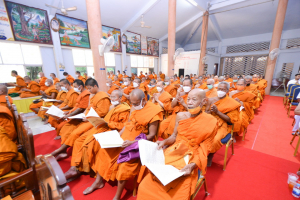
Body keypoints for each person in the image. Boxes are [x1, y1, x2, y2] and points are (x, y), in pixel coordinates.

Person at [137, 89, 218, 200]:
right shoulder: (180, 116)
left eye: (194, 99)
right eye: (188, 99)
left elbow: (205, 148)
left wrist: (192, 165)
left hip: (191, 157)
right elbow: (174, 137)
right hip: (174, 152)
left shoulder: (211, 121)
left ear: (204, 101)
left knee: (176, 192)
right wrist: (164, 141)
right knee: (145, 186)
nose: (189, 102)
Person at [82, 89, 163, 198]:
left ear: (143, 100)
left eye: (135, 103)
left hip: (138, 142)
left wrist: (133, 142)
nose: (133, 105)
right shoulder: (134, 106)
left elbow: (152, 135)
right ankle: (98, 182)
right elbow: (128, 124)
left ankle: (117, 196)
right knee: (104, 152)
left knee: (125, 165)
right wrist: (117, 135)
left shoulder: (154, 111)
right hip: (124, 139)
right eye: (132, 103)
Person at [64, 90, 130, 183]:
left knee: (90, 144)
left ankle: (81, 168)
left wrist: (109, 123)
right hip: (101, 127)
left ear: (120, 98)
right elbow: (106, 118)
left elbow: (123, 126)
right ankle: (74, 166)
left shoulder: (125, 109)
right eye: (111, 96)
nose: (111, 99)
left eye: (114, 97)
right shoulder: (111, 107)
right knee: (79, 140)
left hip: (111, 130)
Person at [51, 79, 111, 161]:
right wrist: (84, 114)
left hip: (94, 120)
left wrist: (88, 117)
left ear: (95, 86)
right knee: (69, 129)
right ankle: (63, 150)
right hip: (86, 118)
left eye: (90, 88)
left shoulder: (103, 97)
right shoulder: (94, 95)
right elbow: (88, 107)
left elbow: (102, 113)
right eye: (88, 89)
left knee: (75, 133)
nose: (89, 90)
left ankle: (60, 150)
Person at [206, 82, 240, 166]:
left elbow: (231, 120)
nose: (220, 91)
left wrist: (217, 112)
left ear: (227, 90)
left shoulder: (232, 103)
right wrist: (209, 112)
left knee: (215, 139)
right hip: (208, 121)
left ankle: (210, 155)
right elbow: (205, 112)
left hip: (222, 124)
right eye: (219, 89)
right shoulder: (210, 99)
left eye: (223, 89)